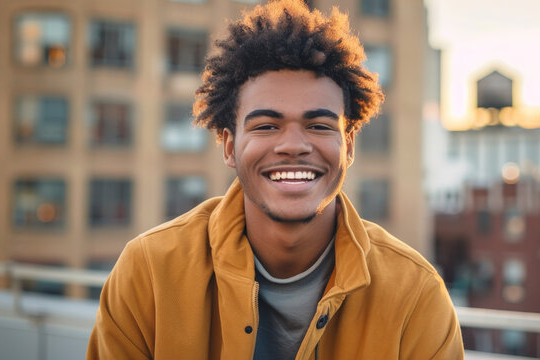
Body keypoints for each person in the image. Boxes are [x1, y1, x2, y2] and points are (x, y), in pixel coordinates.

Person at [86, 1, 464, 359]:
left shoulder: (416, 294)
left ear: (348, 146)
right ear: (230, 147)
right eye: (267, 126)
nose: (294, 145)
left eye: (318, 125)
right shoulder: (148, 272)